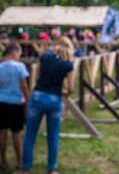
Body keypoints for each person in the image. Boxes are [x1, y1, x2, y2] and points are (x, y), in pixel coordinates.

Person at [21, 37, 74, 174]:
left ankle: (26, 167)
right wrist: (63, 92)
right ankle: (52, 168)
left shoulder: (44, 56)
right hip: (55, 99)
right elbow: (71, 88)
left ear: (57, 45)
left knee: (30, 134)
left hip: (38, 96)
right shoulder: (68, 64)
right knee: (53, 136)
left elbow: (37, 78)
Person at [0, 42, 29, 170]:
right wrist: (27, 102)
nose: (19, 56)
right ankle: (19, 161)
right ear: (14, 52)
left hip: (1, 102)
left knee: (2, 132)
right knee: (16, 133)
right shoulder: (20, 67)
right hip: (16, 103)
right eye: (19, 53)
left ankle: (3, 160)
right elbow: (24, 86)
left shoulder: (0, 67)